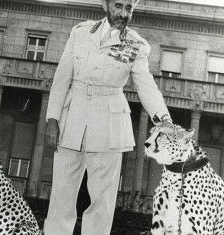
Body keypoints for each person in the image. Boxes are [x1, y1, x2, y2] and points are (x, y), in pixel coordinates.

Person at [44, 0, 172, 234]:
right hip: (71, 120)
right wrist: (52, 118)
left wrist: (163, 118)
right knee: (61, 196)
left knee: (102, 201)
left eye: (129, 8)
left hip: (109, 127)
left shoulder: (136, 44)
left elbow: (145, 83)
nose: (123, 13)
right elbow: (62, 77)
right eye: (118, 6)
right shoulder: (81, 32)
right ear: (105, 4)